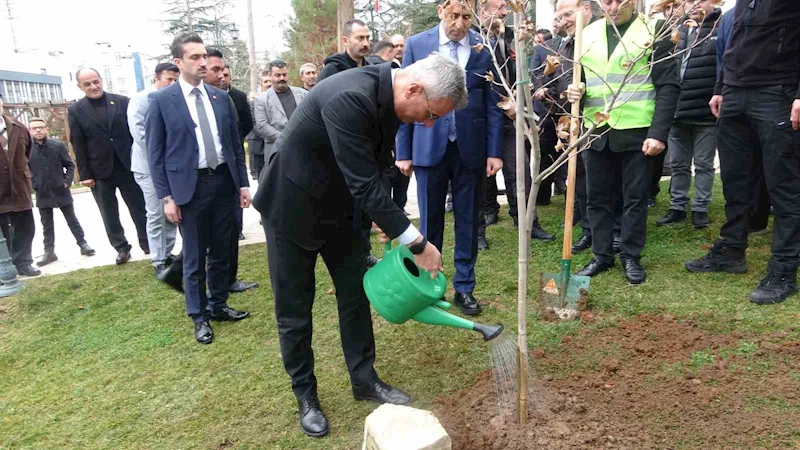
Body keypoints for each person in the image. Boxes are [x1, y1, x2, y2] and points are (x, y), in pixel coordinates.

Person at [253, 52, 464, 439]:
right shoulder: (348, 96)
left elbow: (374, 167)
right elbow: (362, 181)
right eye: (432, 112)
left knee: (354, 297)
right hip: (291, 208)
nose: (429, 122)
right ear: (414, 88)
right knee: (295, 309)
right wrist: (416, 241)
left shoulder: (392, 100)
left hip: (343, 211)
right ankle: (306, 395)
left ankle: (364, 379)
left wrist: (384, 218)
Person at [686, 0, 800, 305]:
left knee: (784, 187)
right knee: (736, 181)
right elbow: (734, 40)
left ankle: (784, 270)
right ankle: (732, 250)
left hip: (776, 91)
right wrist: (721, 87)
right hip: (735, 93)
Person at [396, 0, 504, 316]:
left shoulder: (484, 47)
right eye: (454, 15)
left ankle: (465, 288)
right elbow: (403, 96)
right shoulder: (417, 45)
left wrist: (494, 150)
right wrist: (404, 151)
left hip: (470, 148)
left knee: (469, 220)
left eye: (466, 16)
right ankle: (432, 285)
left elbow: (493, 101)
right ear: (441, 10)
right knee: (430, 221)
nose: (459, 23)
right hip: (429, 145)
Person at [146, 33, 252, 344]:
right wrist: (167, 197)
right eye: (195, 57)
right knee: (194, 256)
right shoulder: (162, 101)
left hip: (224, 183)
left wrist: (242, 183)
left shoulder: (220, 98)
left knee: (222, 249)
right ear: (178, 63)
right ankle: (199, 315)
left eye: (204, 56)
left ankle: (218, 304)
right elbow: (156, 154)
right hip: (189, 188)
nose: (203, 62)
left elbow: (234, 145)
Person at [566, 0, 679, 285]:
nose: (613, 7)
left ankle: (631, 255)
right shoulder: (587, 33)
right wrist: (575, 91)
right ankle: (602, 255)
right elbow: (583, 79)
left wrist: (658, 133)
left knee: (635, 198)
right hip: (596, 130)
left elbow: (668, 86)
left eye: (619, 0)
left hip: (637, 130)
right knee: (597, 198)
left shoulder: (654, 31)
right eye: (606, 1)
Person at [68, 68, 149, 265]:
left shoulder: (122, 101)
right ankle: (121, 248)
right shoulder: (76, 110)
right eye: (87, 84)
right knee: (109, 213)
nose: (93, 86)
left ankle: (148, 243)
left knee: (139, 208)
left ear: (101, 80)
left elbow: (135, 132)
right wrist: (84, 174)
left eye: (95, 81)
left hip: (127, 165)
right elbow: (77, 143)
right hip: (99, 171)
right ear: (80, 86)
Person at [656, 0, 720, 229]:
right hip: (677, 110)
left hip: (705, 112)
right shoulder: (678, 30)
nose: (693, 5)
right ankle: (677, 207)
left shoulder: (720, 27)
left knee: (703, 164)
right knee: (679, 164)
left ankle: (700, 208)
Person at [549, 0, 600, 254]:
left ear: (586, 10)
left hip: (599, 123)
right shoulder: (568, 43)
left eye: (568, 14)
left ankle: (610, 234)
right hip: (575, 120)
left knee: (599, 183)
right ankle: (588, 230)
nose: (564, 20)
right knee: (579, 179)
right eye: (560, 16)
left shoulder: (600, 36)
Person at [128, 63, 180, 277]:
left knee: (172, 212)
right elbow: (142, 138)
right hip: (149, 168)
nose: (172, 83)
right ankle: (158, 259)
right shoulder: (141, 101)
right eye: (168, 79)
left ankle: (167, 252)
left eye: (175, 79)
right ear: (156, 78)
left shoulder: (174, 99)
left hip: (171, 166)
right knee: (157, 213)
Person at [27, 118, 95, 267]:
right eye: (34, 128)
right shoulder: (26, 148)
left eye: (41, 127)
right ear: (30, 131)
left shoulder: (57, 146)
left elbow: (70, 165)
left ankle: (83, 244)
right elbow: (25, 169)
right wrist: (34, 184)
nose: (38, 130)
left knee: (72, 219)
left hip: (61, 190)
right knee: (46, 224)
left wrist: (66, 181)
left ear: (46, 129)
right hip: (42, 192)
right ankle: (49, 252)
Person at [0, 106, 40, 276]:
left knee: (25, 226)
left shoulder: (18, 126)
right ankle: (4, 267)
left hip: (19, 185)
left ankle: (23, 263)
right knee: (2, 231)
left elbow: (28, 151)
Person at [253, 59, 308, 164]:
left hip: (303, 150)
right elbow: (263, 126)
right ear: (270, 75)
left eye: (284, 75)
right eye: (278, 75)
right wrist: (286, 138)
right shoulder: (261, 100)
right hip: (276, 152)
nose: (282, 78)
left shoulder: (302, 94)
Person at [247, 72, 272, 179]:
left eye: (270, 80)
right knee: (263, 181)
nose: (269, 84)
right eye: (266, 81)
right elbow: (254, 124)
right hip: (260, 149)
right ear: (261, 84)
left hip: (279, 147)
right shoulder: (254, 104)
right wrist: (272, 137)